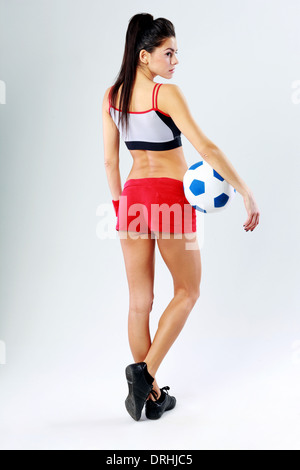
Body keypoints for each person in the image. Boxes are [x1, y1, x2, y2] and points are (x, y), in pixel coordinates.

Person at [102, 13, 260, 421]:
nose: (175, 61)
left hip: (132, 202)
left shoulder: (112, 96)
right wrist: (244, 190)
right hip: (172, 200)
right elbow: (205, 147)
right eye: (168, 53)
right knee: (188, 292)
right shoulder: (164, 94)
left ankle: (150, 397)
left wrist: (121, 207)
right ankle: (145, 376)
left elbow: (109, 162)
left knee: (140, 303)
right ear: (144, 56)